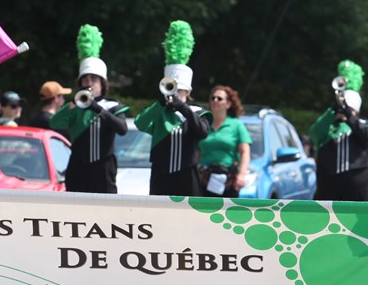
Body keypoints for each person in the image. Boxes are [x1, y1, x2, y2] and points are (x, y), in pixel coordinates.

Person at [50, 25, 130, 193]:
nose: (89, 83)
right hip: (78, 167)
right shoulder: (75, 107)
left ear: (102, 83)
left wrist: (97, 108)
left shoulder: (112, 106)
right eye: (85, 79)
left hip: (104, 167)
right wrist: (71, 105)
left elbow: (122, 129)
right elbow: (54, 123)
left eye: (94, 79)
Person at [136, 20, 211, 196]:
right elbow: (140, 123)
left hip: (187, 174)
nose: (175, 93)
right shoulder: (159, 112)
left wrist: (183, 107)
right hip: (161, 174)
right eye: (172, 89)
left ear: (188, 91)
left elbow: (202, 132)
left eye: (179, 90)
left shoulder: (197, 112)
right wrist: (161, 103)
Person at [310, 59, 368, 202]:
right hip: (328, 184)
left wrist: (349, 116)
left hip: (357, 188)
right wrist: (332, 112)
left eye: (350, 109)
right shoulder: (329, 125)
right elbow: (314, 134)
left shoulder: (363, 124)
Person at [199, 85, 251, 197]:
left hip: (228, 179)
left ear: (228, 104)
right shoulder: (203, 124)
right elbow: (196, 152)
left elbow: (244, 152)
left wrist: (241, 175)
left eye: (219, 98)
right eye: (212, 98)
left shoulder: (236, 125)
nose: (215, 100)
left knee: (227, 208)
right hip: (204, 178)